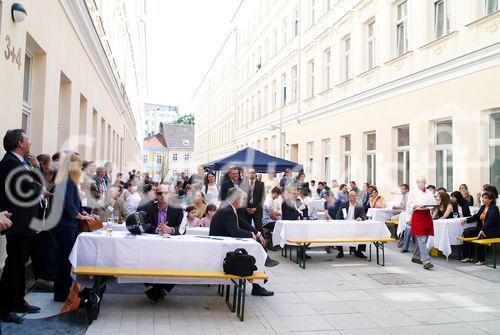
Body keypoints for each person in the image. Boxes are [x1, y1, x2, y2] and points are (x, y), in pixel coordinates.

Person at [0, 129, 43, 324]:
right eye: (27, 140)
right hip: (17, 222)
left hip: (24, 221)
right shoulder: (10, 163)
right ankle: (5, 308)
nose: (30, 143)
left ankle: (17, 300)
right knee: (14, 265)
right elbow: (31, 189)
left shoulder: (20, 162)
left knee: (20, 262)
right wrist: (37, 169)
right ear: (20, 143)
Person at [209, 187, 275, 296]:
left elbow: (242, 222)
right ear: (236, 200)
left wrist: (257, 233)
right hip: (221, 247)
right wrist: (251, 235)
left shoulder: (227, 207)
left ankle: (262, 270)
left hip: (224, 243)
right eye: (242, 199)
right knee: (253, 252)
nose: (244, 201)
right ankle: (258, 284)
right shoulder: (227, 210)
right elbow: (235, 232)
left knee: (253, 248)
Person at [53, 153, 96, 302]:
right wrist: (81, 216)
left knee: (66, 260)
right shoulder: (66, 181)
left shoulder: (70, 180)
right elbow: (69, 206)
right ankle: (61, 293)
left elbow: (74, 204)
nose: (81, 168)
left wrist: (83, 212)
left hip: (68, 225)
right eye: (79, 165)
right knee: (65, 260)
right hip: (65, 225)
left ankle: (63, 290)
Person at [137, 184, 183, 303]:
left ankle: (158, 290)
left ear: (170, 194)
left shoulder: (177, 209)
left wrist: (171, 230)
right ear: (155, 195)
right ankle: (158, 290)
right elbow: (141, 225)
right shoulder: (146, 207)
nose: (163, 196)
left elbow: (183, 229)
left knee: (177, 264)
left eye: (165, 193)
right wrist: (157, 229)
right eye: (159, 193)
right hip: (150, 247)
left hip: (170, 248)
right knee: (144, 262)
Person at [460, 191, 500, 265]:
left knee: (480, 237)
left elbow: (489, 221)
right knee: (467, 233)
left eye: (485, 198)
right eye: (483, 198)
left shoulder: (494, 208)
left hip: (492, 230)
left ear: (490, 200)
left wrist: (482, 230)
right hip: (482, 229)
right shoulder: (483, 207)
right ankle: (467, 256)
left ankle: (481, 260)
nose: (483, 199)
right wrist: (466, 220)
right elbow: (476, 216)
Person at [406, 176, 436, 270]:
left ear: (425, 182)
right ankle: (426, 261)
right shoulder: (413, 192)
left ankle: (416, 256)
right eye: (418, 182)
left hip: (427, 215)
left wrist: (434, 207)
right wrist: (416, 205)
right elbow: (409, 204)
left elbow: (433, 202)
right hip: (418, 215)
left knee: (425, 237)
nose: (420, 184)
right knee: (421, 238)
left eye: (422, 182)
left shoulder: (429, 192)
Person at [335, 191, 367, 259]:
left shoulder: (359, 205)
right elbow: (338, 215)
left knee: (363, 232)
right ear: (349, 197)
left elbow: (364, 216)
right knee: (339, 232)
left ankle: (359, 251)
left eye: (355, 195)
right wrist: (341, 222)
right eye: (352, 196)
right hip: (345, 224)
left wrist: (361, 218)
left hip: (355, 225)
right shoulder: (344, 204)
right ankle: (340, 251)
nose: (354, 197)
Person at [239, 168, 266, 233]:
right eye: (250, 173)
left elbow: (263, 198)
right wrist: (246, 208)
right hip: (246, 210)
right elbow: (240, 197)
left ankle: (260, 242)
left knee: (259, 228)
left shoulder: (261, 184)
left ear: (255, 173)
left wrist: (256, 208)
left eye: (253, 172)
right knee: (246, 229)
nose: (252, 174)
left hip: (257, 210)